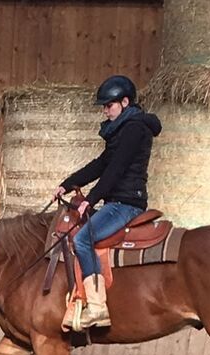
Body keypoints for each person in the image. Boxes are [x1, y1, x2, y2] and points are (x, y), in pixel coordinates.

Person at [54, 75, 162, 329]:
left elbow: (115, 169)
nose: (105, 110)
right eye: (104, 106)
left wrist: (90, 201)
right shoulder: (122, 129)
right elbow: (101, 164)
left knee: (82, 238)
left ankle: (97, 306)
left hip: (126, 203)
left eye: (109, 105)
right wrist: (67, 183)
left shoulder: (135, 128)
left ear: (125, 102)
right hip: (116, 200)